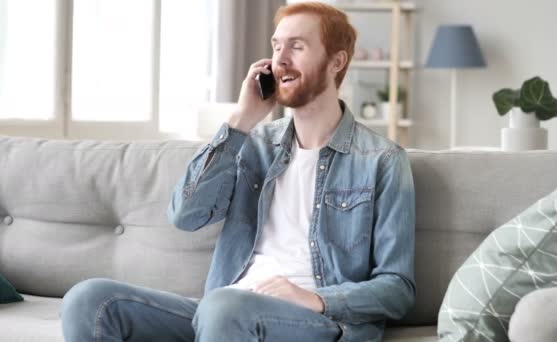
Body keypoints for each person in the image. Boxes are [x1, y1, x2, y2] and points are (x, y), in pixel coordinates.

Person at [60, 2, 415, 341]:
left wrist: (317, 299)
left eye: (297, 47)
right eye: (276, 47)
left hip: (316, 321)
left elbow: (397, 288)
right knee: (90, 300)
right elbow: (186, 215)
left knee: (224, 308)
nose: (280, 60)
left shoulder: (381, 160)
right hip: (223, 309)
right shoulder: (254, 144)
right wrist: (240, 121)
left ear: (336, 61)